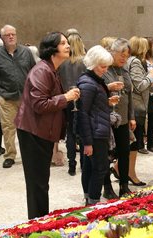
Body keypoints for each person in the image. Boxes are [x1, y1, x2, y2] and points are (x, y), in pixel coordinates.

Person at [15, 32, 80, 219]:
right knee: (37, 183)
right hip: (33, 132)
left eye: (67, 42)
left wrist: (65, 96)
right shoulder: (42, 70)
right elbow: (39, 104)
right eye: (63, 43)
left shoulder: (50, 69)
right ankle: (37, 223)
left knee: (41, 182)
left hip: (39, 131)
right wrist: (65, 97)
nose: (67, 46)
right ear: (52, 49)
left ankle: (41, 220)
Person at [0, 24, 36, 168]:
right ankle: (10, 155)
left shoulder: (26, 52)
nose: (10, 37)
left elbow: (34, 72)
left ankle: (29, 153)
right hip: (6, 96)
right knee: (8, 128)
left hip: (26, 96)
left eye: (13, 34)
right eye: (7, 35)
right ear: (2, 38)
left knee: (28, 127)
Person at [77, 45, 115, 205]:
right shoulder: (88, 83)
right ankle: (93, 202)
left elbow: (92, 108)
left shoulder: (93, 81)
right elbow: (82, 113)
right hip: (94, 133)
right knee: (99, 168)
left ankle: (89, 200)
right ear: (93, 64)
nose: (105, 70)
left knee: (91, 168)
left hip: (97, 130)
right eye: (103, 66)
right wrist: (87, 142)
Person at [126, 36, 153, 186]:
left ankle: (122, 170)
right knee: (133, 142)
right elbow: (139, 85)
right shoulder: (135, 62)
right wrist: (151, 76)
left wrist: (152, 79)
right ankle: (129, 173)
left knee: (132, 141)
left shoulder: (133, 61)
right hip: (136, 106)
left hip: (136, 105)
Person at [103, 38, 134, 197]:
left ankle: (124, 185)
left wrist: (132, 117)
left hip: (123, 119)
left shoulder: (125, 70)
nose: (124, 58)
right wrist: (109, 87)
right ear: (112, 52)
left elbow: (129, 95)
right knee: (107, 154)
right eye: (121, 54)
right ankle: (107, 187)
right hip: (107, 119)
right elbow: (97, 92)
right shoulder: (104, 70)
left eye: (127, 55)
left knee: (124, 153)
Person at [58, 28, 86, 176]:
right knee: (82, 132)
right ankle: (82, 162)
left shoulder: (61, 63)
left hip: (66, 99)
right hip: (82, 100)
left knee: (70, 133)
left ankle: (71, 165)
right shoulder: (85, 61)